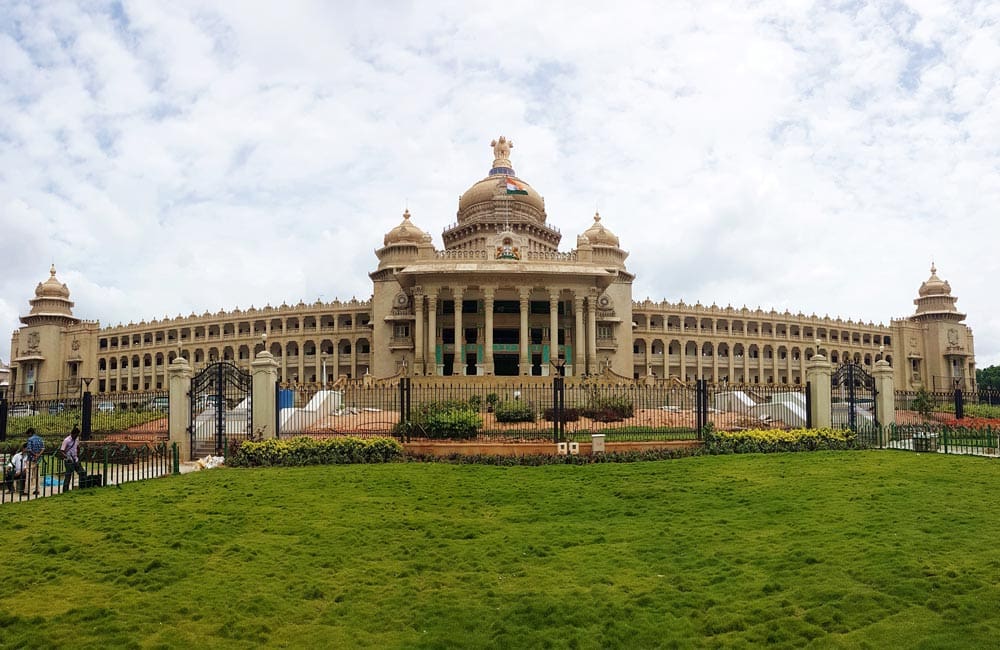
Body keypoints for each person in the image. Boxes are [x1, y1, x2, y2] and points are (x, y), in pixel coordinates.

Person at [59, 426, 86, 492]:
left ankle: (82, 487)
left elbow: (77, 447)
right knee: (68, 475)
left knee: (82, 472)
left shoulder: (76, 439)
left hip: (75, 459)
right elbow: (61, 451)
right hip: (69, 460)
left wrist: (78, 455)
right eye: (76, 435)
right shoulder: (66, 440)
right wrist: (67, 457)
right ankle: (65, 490)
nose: (77, 436)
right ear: (72, 434)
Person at [25, 428, 44, 496]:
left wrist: (34, 455)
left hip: (31, 459)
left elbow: (29, 450)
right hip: (38, 460)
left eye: (28, 434)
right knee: (37, 476)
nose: (28, 435)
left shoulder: (30, 439)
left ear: (30, 433)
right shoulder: (40, 438)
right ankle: (37, 490)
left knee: (28, 476)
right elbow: (43, 448)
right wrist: (38, 455)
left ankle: (27, 491)